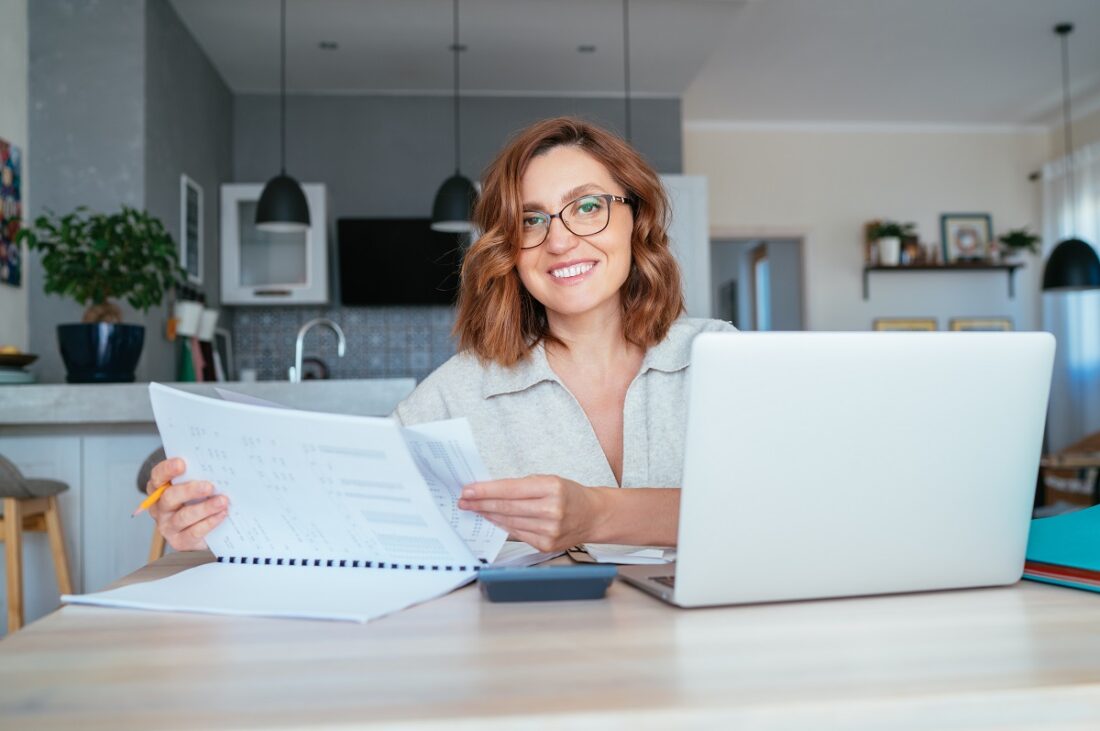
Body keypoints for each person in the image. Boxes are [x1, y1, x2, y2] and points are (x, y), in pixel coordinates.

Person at [146, 116, 735, 555]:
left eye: (587, 207)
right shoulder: (458, 394)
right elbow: (341, 503)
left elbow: (784, 508)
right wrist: (203, 506)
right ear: (510, 247)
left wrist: (597, 515)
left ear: (639, 218)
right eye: (531, 219)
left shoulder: (721, 359)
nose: (559, 240)